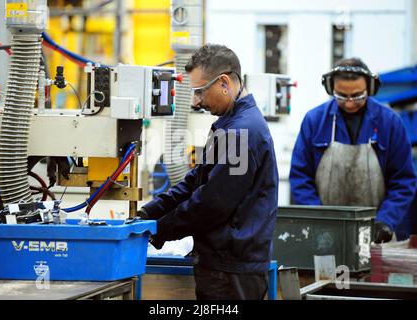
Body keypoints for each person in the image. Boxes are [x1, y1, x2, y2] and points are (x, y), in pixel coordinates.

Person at [138, 44, 279, 300]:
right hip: (225, 265)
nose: (196, 101)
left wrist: (160, 229)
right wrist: (150, 211)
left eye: (200, 91)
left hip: (230, 271)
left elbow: (212, 203)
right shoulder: (231, 125)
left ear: (224, 83)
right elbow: (196, 180)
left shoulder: (241, 133)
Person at [289, 58, 416, 243]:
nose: (349, 103)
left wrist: (386, 221)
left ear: (370, 89)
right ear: (331, 89)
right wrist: (319, 218)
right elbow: (300, 178)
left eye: (357, 96)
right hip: (325, 233)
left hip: (377, 233)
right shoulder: (314, 121)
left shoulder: (390, 123)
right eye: (341, 96)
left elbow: (403, 181)